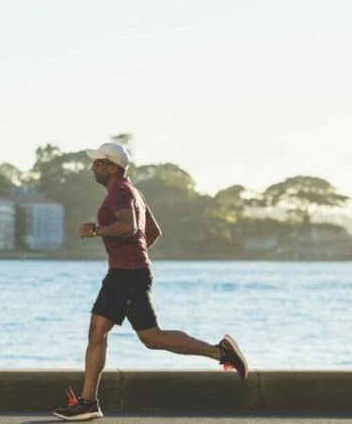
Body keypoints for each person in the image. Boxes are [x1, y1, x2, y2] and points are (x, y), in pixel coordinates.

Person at [52, 142, 248, 421]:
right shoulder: (133, 192)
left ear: (111, 166)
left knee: (148, 337)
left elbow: (129, 227)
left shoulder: (119, 193)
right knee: (104, 333)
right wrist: (134, 256)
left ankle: (221, 352)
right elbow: (152, 232)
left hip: (126, 276)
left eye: (98, 162)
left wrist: (97, 230)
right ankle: (89, 402)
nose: (92, 166)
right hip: (128, 273)